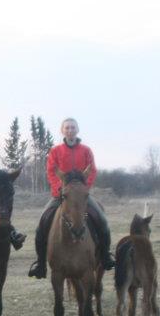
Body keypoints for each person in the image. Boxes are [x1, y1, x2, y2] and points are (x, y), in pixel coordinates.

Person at [28, 118, 114, 279]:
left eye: (73, 127)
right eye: (67, 127)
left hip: (81, 195)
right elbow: (52, 171)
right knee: (42, 223)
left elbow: (92, 170)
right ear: (62, 130)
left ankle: (105, 255)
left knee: (102, 220)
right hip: (61, 194)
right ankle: (40, 263)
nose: (70, 130)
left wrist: (84, 189)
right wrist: (60, 189)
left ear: (77, 130)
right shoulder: (55, 151)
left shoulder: (86, 150)